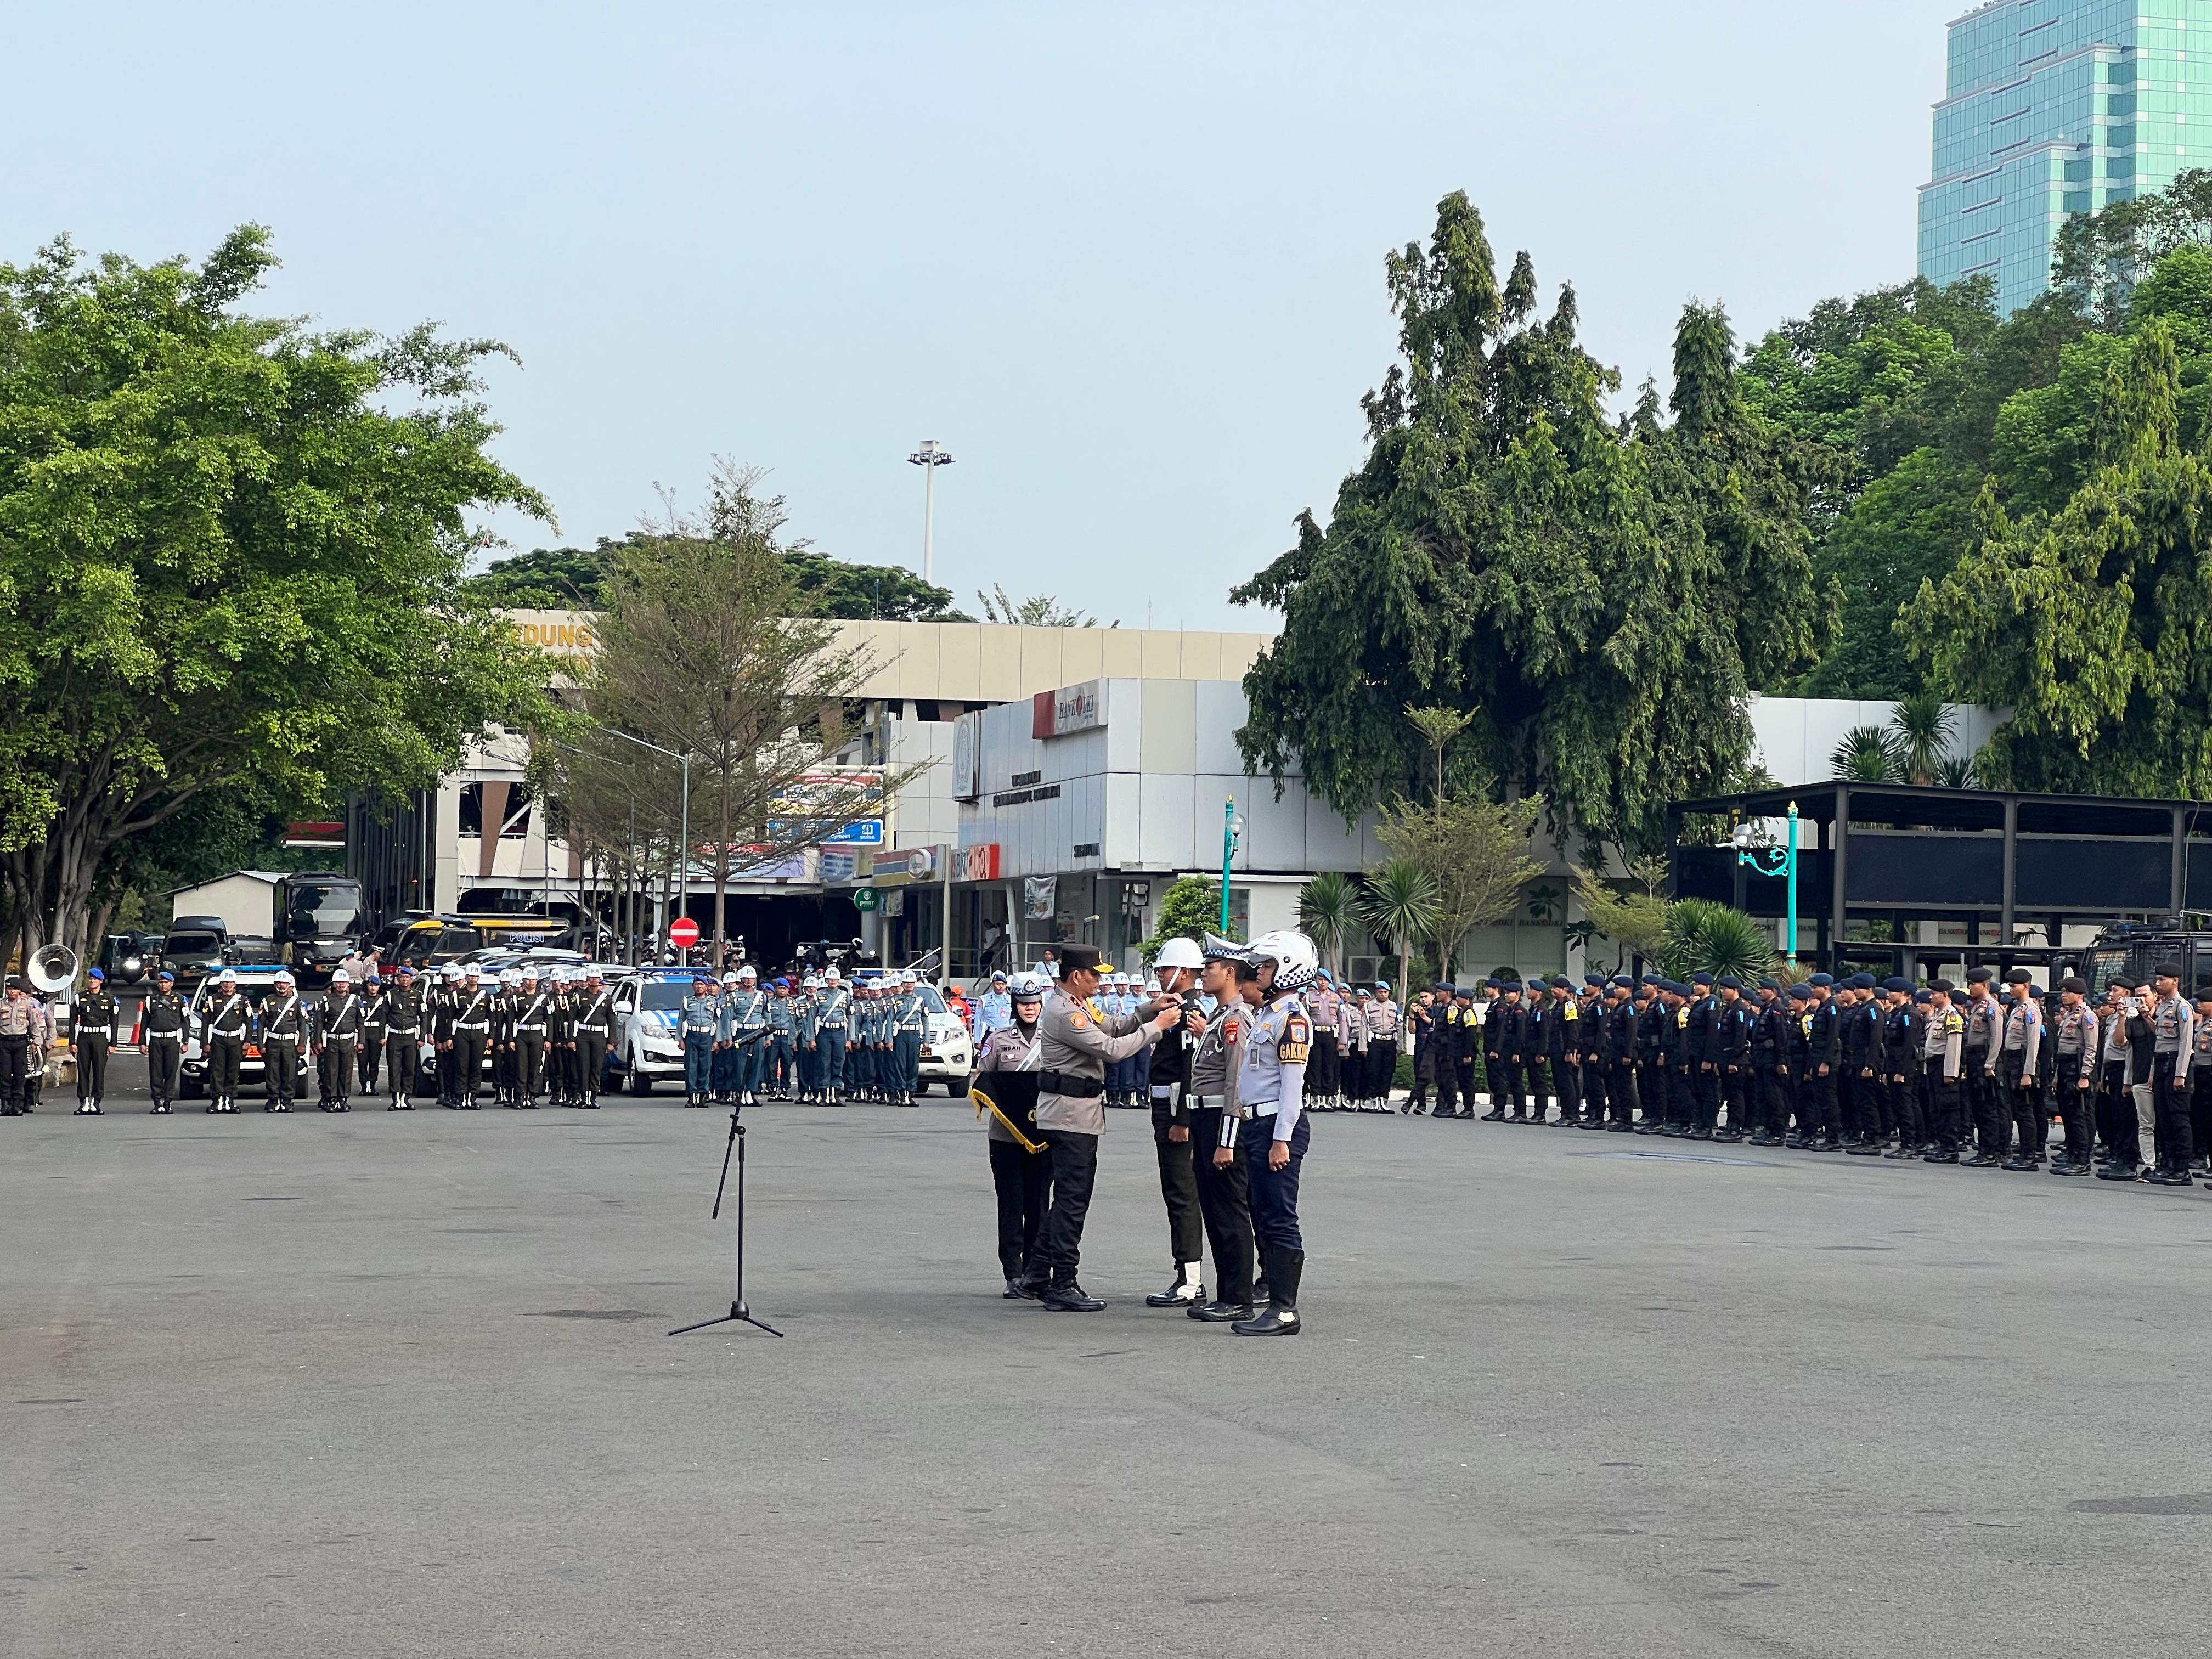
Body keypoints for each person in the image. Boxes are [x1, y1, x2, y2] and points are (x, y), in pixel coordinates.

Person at [1017, 943, 1182, 1311]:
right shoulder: (1065, 1012)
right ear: (1076, 977)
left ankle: (1038, 1273)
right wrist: (1157, 1027)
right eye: (1095, 976)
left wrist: (1147, 1010)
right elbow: (1112, 1048)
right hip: (1069, 1115)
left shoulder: (1077, 1004)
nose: (1099, 983)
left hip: (1077, 1112)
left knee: (1067, 1199)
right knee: (1073, 1200)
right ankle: (1063, 1282)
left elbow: (1113, 1025)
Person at [1223, 930, 1317, 1336]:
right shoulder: (1268, 1014)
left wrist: (1282, 1138)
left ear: (1288, 968)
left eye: (1267, 965)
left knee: (1279, 1217)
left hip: (1279, 1125)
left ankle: (1284, 1309)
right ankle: (1275, 1303)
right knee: (1263, 1213)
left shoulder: (1292, 1020)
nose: (1259, 972)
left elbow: (1292, 1087)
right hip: (1258, 1123)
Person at [972, 973, 1052, 1295]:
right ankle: (1013, 1274)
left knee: (1038, 1205)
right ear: (1014, 1005)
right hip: (1005, 1138)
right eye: (1023, 1003)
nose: (1029, 1009)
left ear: (1041, 1004)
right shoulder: (1000, 1038)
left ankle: (1036, 1271)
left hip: (1043, 1136)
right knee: (1010, 1204)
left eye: (1034, 1003)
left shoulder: (1053, 1039)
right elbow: (981, 1077)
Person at [1141, 936, 1206, 1307]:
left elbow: (1189, 1069)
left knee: (1182, 1192)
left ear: (1182, 973)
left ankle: (1190, 1280)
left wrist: (1182, 1119)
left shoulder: (1188, 1013)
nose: (1161, 974)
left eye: (1165, 968)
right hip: (1166, 1106)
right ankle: (1186, 1273)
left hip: (1176, 1110)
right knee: (1175, 1191)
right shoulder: (1176, 1008)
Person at [2145, 961, 2197, 1186]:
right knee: (2164, 1119)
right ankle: (2168, 1164)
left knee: (2179, 1120)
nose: (2158, 984)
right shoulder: (2165, 1007)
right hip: (2162, 1064)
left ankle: (2182, 1169)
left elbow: (2186, 1043)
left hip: (2176, 1064)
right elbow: (2160, 1040)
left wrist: (2181, 1074)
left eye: (2162, 980)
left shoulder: (2182, 1007)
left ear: (2175, 981)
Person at [2050, 977, 2100, 1176]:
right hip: (2064, 1066)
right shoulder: (2070, 1015)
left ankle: (2081, 1160)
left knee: (2079, 1115)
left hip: (2078, 1068)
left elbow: (2091, 1048)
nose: (2063, 995)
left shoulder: (2087, 1016)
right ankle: (2072, 1154)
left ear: (2079, 994)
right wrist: (2056, 1075)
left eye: (2067, 992)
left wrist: (2085, 1074)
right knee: (2069, 1115)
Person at [313, 969, 367, 1112]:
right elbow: (319, 1022)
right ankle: (331, 1100)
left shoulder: (355, 1000)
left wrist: (361, 1041)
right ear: (334, 984)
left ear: (348, 984)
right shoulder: (326, 1001)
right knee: (331, 1071)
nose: (341, 985)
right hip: (331, 1040)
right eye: (338, 982)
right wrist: (318, 1041)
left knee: (346, 1071)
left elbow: (360, 1022)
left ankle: (343, 1099)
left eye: (344, 982)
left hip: (348, 1040)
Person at [258, 969, 308, 1113]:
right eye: (279, 983)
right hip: (272, 1042)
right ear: (275, 984)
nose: (281, 986)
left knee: (289, 1072)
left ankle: (287, 1100)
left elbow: (303, 1025)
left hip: (289, 1043)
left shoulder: (297, 1003)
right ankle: (273, 1100)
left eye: (284, 983)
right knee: (272, 1072)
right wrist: (261, 1045)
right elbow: (261, 1025)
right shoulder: (267, 1001)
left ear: (289, 985)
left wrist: (302, 1044)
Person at [71, 967, 118, 1115]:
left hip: (100, 1038)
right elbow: (72, 1021)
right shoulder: (80, 997)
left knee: (99, 1071)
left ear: (101, 981)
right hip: (84, 1037)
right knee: (83, 1070)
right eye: (90, 979)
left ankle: (96, 1102)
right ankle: (83, 1102)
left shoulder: (109, 998)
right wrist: (72, 1042)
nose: (92, 982)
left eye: (95, 979)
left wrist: (113, 1044)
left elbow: (114, 1021)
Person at [141, 969, 188, 1115]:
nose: (163, 985)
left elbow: (185, 1021)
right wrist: (142, 1042)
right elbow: (144, 1023)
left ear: (172, 984)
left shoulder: (180, 1000)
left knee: (170, 1071)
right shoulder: (151, 1000)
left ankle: (168, 1103)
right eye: (160, 983)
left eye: (166, 983)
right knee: (156, 1072)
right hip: (156, 1039)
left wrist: (185, 1041)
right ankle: (157, 1103)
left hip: (172, 1039)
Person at [1, 976, 48, 1116]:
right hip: (4, 1042)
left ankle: (17, 1105)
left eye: (14, 989)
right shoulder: (1, 1004)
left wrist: (37, 1041)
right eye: (9, 989)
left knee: (20, 1075)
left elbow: (35, 1025)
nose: (11, 992)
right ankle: (5, 1104)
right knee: (4, 1074)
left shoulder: (27, 1005)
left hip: (21, 1042)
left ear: (19, 991)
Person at [382, 964, 425, 1110]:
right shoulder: (390, 995)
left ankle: (406, 1098)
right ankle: (396, 1099)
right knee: (394, 1068)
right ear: (398, 979)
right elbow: (383, 1016)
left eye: (407, 977)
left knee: (409, 1068)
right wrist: (383, 1036)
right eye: (402, 977)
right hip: (394, 1035)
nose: (404, 980)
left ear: (411, 979)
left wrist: (422, 1037)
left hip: (410, 1036)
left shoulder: (418, 996)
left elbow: (424, 1016)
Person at [680, 973, 719, 1108]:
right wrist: (680, 1039)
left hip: (707, 1036)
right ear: (693, 986)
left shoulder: (713, 1002)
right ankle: (692, 1096)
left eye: (701, 984)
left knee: (705, 1067)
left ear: (706, 987)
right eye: (696, 984)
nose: (699, 987)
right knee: (691, 1067)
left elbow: (717, 1021)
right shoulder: (687, 1001)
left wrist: (716, 1041)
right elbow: (681, 1020)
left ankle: (703, 1096)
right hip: (692, 1035)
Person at [972, 970, 1012, 1043]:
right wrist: (977, 1041)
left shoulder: (1011, 1000)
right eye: (998, 984)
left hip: (1006, 1035)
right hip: (990, 1034)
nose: (1001, 987)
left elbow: (1013, 1020)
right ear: (992, 985)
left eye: (1003, 984)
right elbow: (978, 1021)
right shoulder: (984, 999)